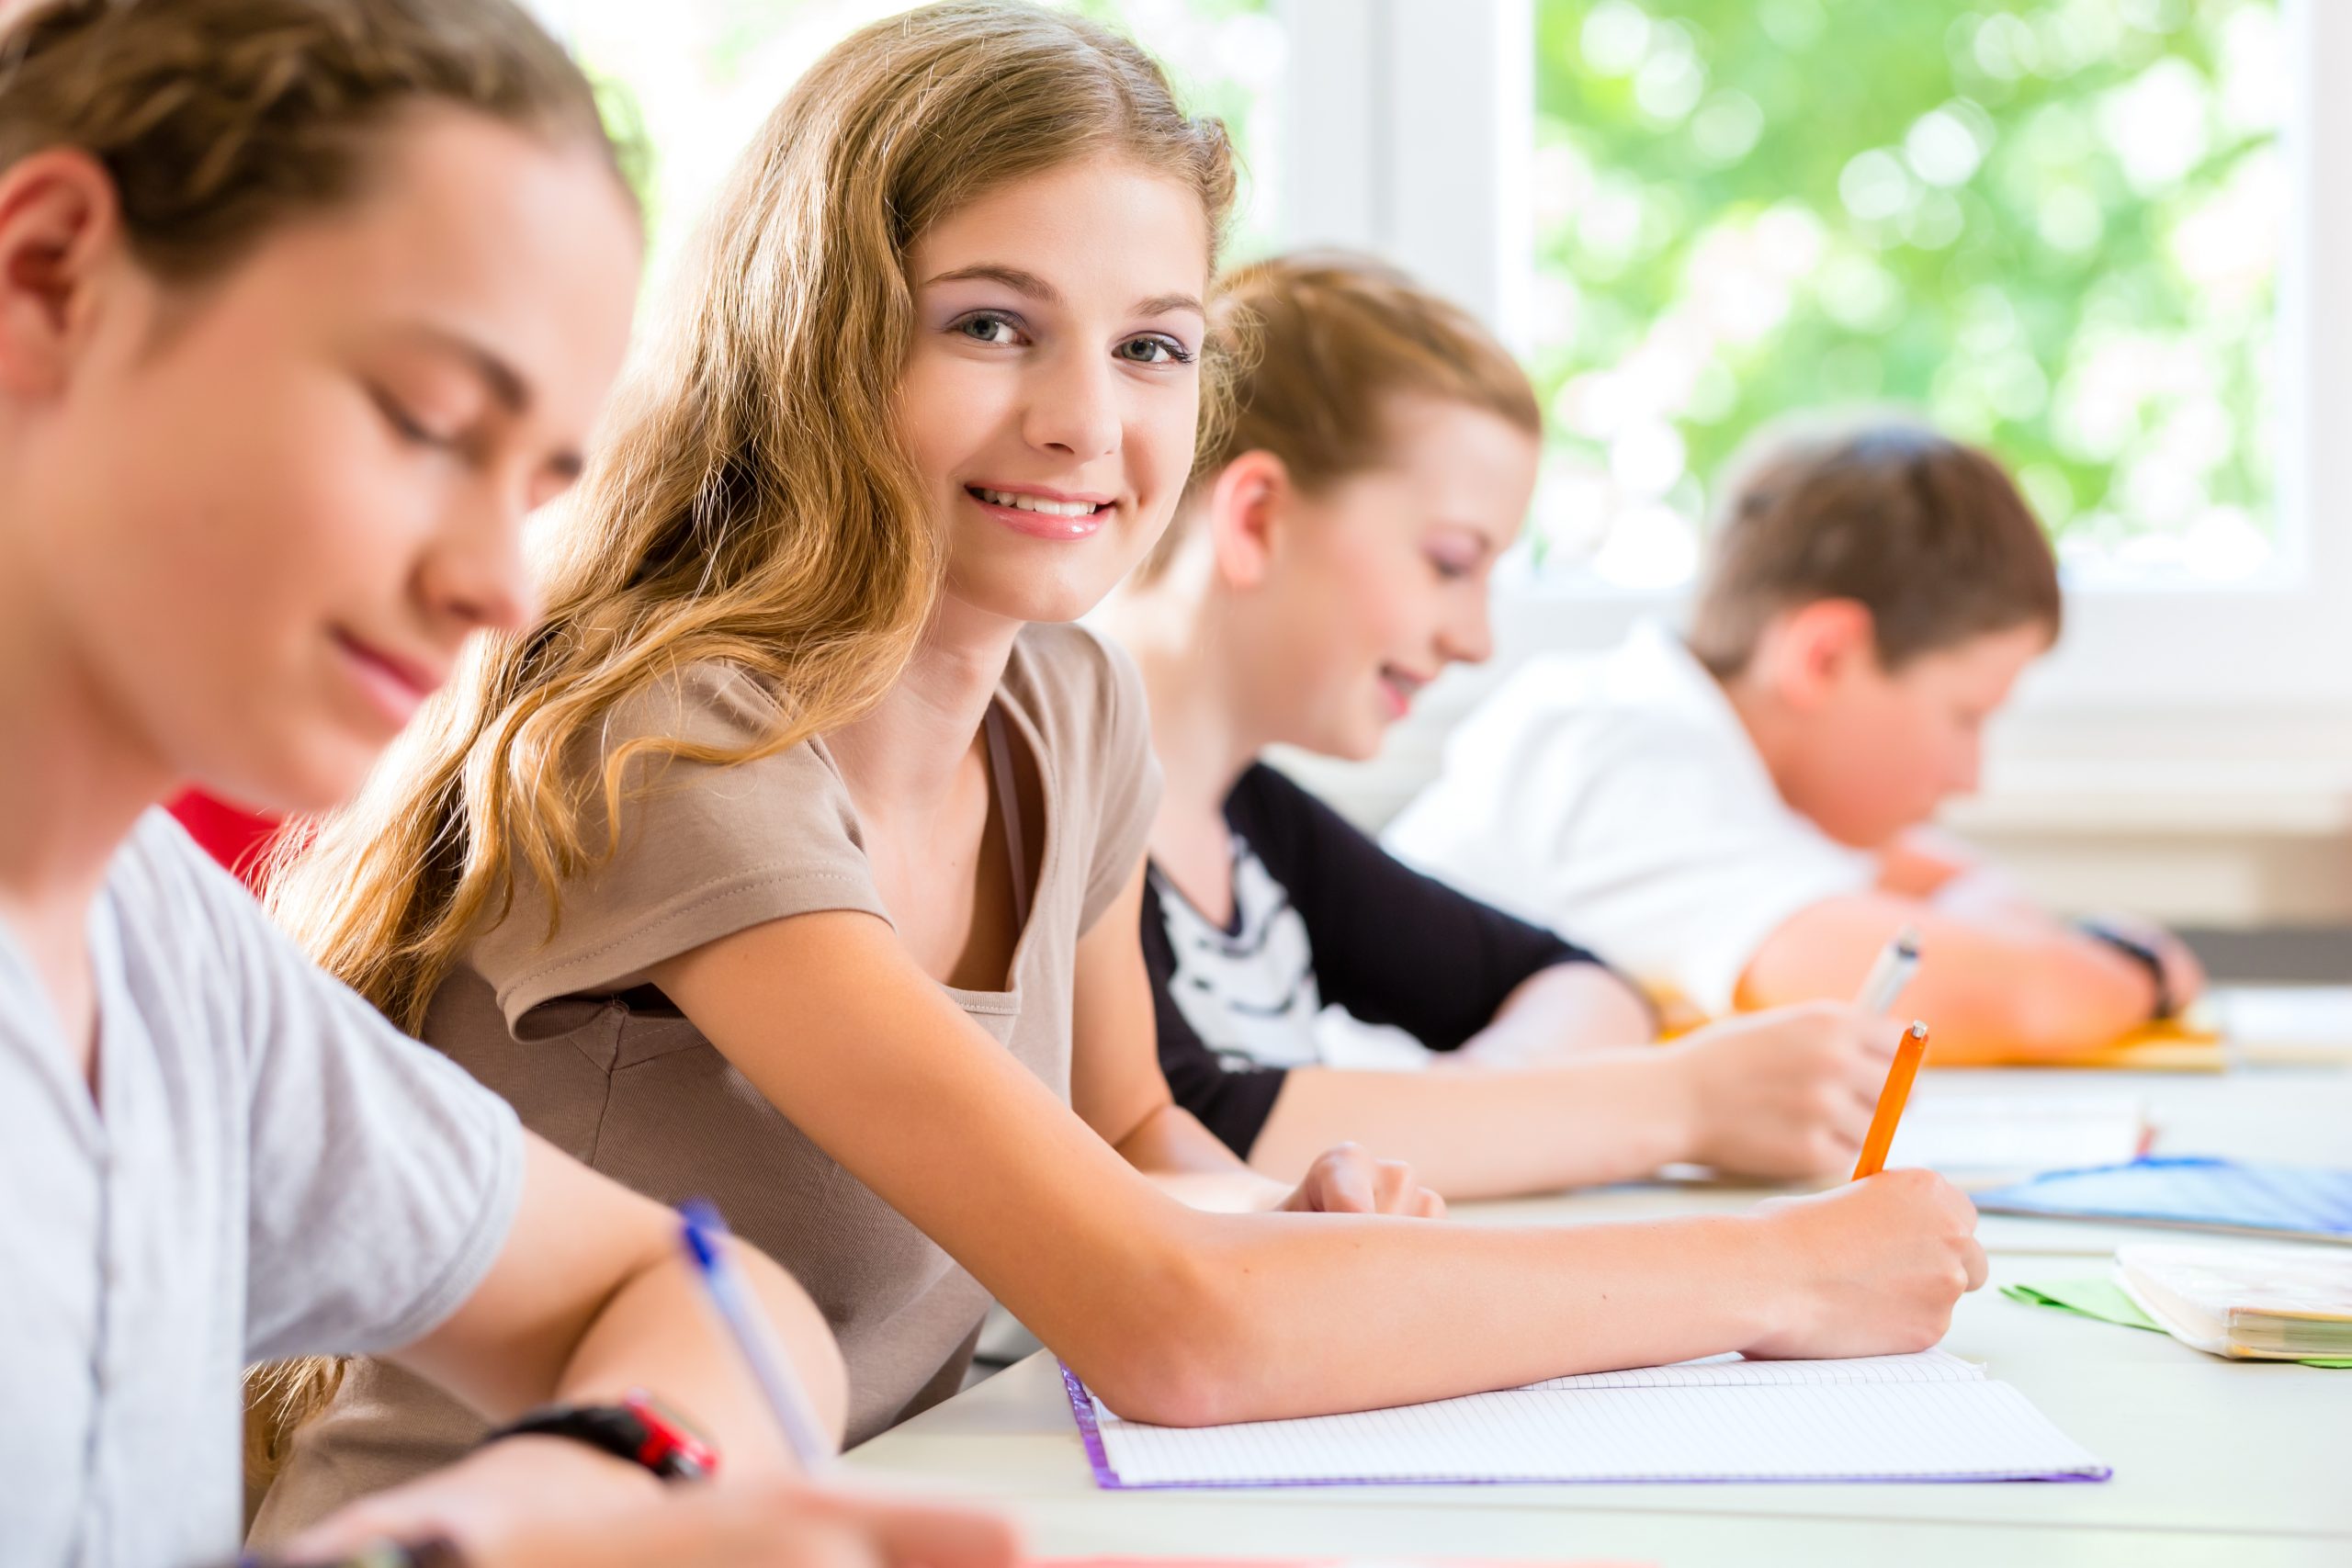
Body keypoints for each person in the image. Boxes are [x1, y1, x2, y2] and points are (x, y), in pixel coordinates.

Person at [254, 3, 1988, 1530]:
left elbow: (1140, 1133)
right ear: (818, 339)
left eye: (1153, 344)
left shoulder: (1072, 709)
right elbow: (1175, 1330)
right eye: (995, 326)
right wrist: (1774, 1274)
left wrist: (1276, 1216)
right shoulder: (681, 747)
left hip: (866, 1506)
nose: (1092, 417)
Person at [0, 2, 1008, 1564]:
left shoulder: (158, 951)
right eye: (428, 423)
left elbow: (694, 1292)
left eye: (543, 480)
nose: (500, 586)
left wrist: (561, 1493)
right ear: (49, 275)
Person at [1102, 254, 1909, 1199]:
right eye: (1449, 562)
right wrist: (1667, 1105)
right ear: (1257, 517)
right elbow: (1187, 1136)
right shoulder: (1065, 817)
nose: (1476, 639)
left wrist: (1481, 1117)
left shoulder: (1254, 824)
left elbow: (1583, 983)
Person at [1387, 420, 2207, 1059]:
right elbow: (1972, 994)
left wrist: (2011, 947)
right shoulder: (1620, 757)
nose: (1970, 777)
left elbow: (1964, 890)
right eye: (1964, 716)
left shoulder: (1725, 770)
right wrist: (2136, 967)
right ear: (1826, 656)